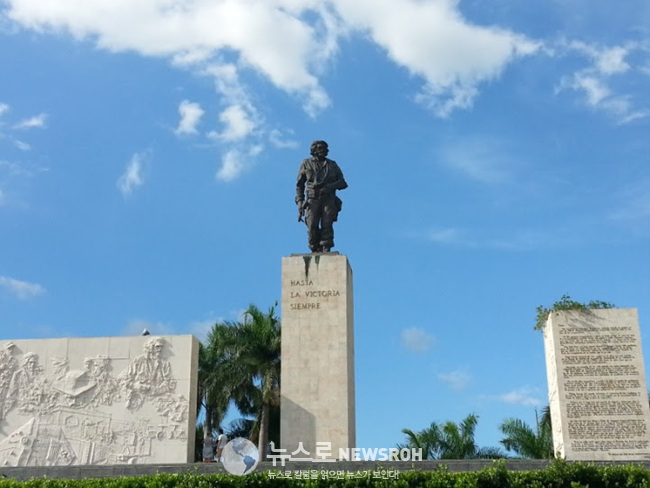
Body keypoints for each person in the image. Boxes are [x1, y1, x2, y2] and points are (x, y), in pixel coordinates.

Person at [295, 140, 348, 253]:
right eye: (320, 148)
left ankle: (326, 246)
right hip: (312, 199)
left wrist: (329, 187)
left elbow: (343, 183)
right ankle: (313, 247)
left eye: (325, 148)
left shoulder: (332, 165)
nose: (324, 150)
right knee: (312, 225)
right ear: (314, 150)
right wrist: (300, 202)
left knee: (327, 224)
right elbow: (299, 185)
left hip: (328, 198)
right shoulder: (306, 163)